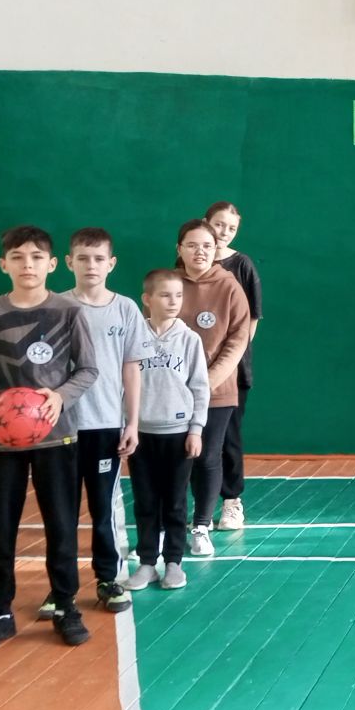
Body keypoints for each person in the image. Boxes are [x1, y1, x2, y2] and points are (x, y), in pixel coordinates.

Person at [0, 225, 98, 653]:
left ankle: (65, 606)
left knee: (61, 526)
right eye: (18, 257)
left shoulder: (68, 312)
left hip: (56, 439)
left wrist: (60, 397)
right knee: (1, 528)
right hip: (0, 444)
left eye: (37, 257)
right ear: (3, 264)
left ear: (52, 264)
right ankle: (0, 613)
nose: (28, 264)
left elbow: (87, 370)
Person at [58, 227, 149, 617]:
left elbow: (132, 368)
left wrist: (132, 422)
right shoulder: (56, 307)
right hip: (61, 428)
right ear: (69, 262)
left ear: (111, 264)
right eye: (83, 258)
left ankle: (108, 578)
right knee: (61, 511)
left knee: (103, 509)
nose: (91, 265)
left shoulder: (125, 309)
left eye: (98, 259)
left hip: (106, 426)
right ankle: (60, 588)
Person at [125, 269, 210, 591]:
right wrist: (127, 425)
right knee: (145, 501)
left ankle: (174, 562)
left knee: (175, 502)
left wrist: (196, 429)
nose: (173, 301)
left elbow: (200, 388)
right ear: (147, 299)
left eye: (178, 295)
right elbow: (122, 386)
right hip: (141, 434)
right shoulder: (133, 338)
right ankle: (147, 563)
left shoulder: (190, 340)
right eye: (165, 295)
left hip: (178, 435)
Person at [175, 218, 251, 556]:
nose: (200, 252)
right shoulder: (168, 284)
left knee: (207, 456)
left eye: (207, 245)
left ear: (216, 249)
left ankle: (202, 525)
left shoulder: (230, 286)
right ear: (180, 249)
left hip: (217, 392)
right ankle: (170, 526)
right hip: (172, 393)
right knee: (178, 459)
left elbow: (237, 340)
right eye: (192, 245)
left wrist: (206, 382)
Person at [204, 201, 262, 532]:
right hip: (194, 369)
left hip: (232, 371)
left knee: (228, 438)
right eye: (219, 224)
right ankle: (202, 507)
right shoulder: (190, 261)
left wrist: (230, 360)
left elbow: (251, 319)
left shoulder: (242, 265)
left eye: (231, 228)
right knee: (196, 439)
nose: (224, 232)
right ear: (205, 222)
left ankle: (231, 502)